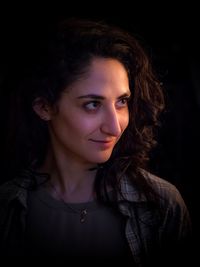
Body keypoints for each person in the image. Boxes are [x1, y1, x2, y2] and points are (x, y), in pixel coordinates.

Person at [0, 17, 192, 266]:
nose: (114, 126)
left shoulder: (162, 205)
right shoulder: (6, 207)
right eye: (92, 104)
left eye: (121, 102)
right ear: (44, 107)